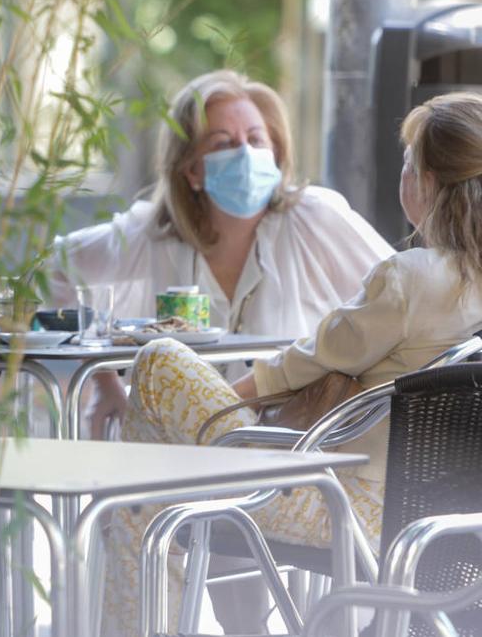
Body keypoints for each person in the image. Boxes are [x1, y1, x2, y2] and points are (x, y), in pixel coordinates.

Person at [99, 91, 482, 637]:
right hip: (436, 515)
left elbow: (301, 364)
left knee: (159, 365)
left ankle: (135, 615)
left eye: (406, 164)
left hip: (339, 506)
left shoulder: (411, 277)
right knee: (151, 489)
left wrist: (213, 412)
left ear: (426, 182)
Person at [49, 69, 394, 631]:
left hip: (293, 446)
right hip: (201, 454)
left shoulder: (314, 218)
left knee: (148, 437)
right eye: (224, 143)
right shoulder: (152, 234)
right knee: (151, 477)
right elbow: (56, 269)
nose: (247, 154)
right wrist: (106, 386)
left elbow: (400, 297)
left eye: (256, 140)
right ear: (191, 168)